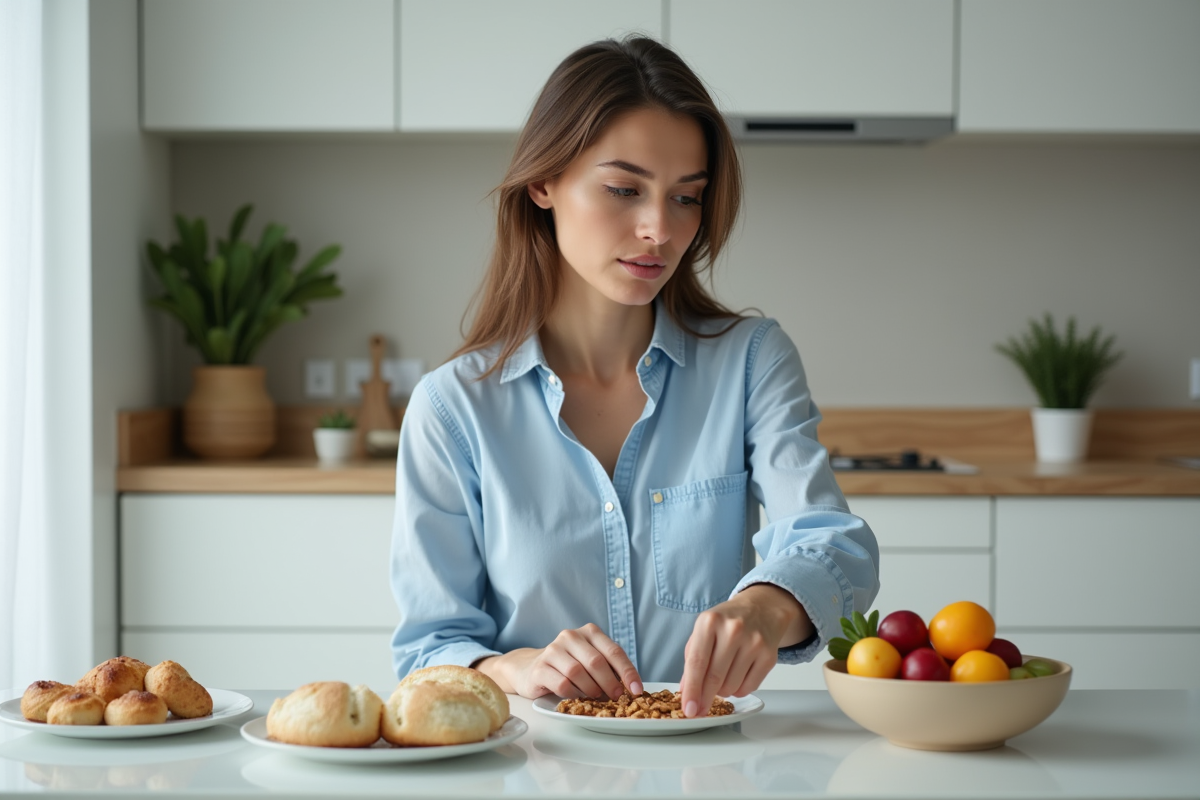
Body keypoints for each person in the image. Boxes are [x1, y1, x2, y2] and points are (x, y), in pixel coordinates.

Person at [390, 36, 879, 718]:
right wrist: (516, 665)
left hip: (709, 772)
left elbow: (832, 542)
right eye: (624, 189)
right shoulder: (453, 408)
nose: (660, 229)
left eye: (686, 198)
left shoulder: (750, 361)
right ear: (543, 182)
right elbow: (429, 646)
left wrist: (765, 610)